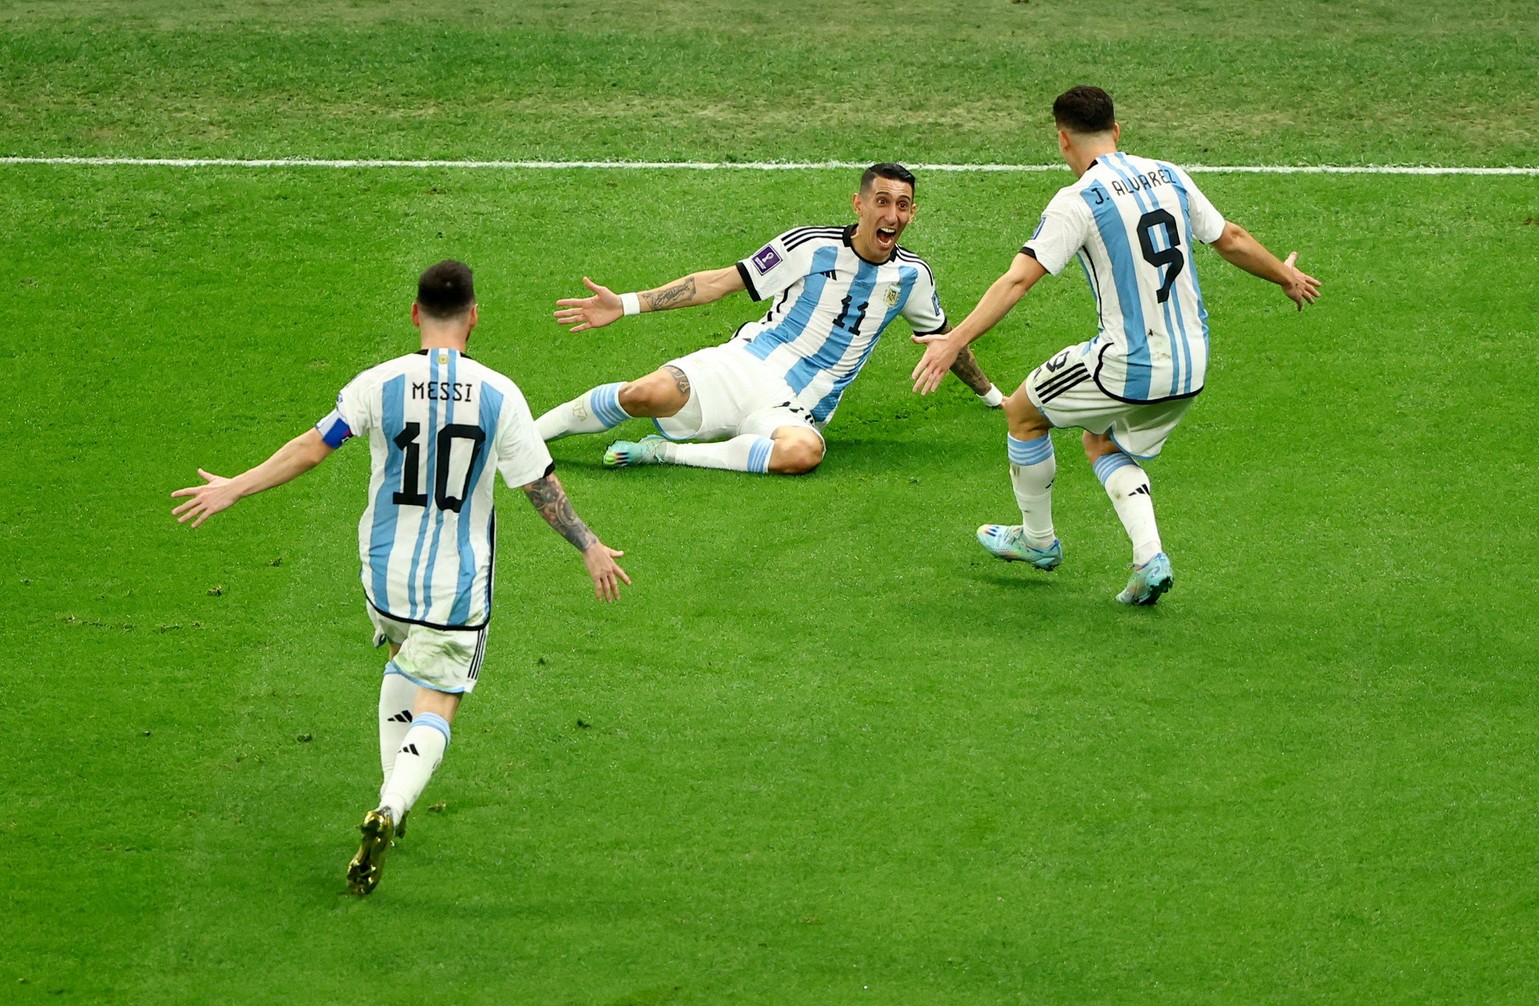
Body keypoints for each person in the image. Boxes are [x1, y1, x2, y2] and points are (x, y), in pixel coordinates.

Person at [170, 260, 631, 895]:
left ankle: (394, 798)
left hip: (382, 574)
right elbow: (537, 485)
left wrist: (235, 489)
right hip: (455, 588)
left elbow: (311, 446)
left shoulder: (378, 384)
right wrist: (590, 544)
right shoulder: (502, 394)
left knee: (400, 661)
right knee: (439, 697)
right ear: (474, 316)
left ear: (415, 313)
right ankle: (391, 805)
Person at [912, 86, 1321, 605]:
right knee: (1102, 442)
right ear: (1117, 131)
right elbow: (1231, 238)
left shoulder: (1077, 200)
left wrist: (954, 341)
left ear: (1063, 140)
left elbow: (1017, 281)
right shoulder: (1169, 174)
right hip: (1192, 365)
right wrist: (1284, 275)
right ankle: (1149, 559)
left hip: (1130, 363)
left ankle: (1038, 542)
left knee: (1022, 413)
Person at [538, 162, 1004, 475]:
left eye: (902, 205)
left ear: (912, 213)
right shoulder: (809, 246)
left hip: (797, 406)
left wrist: (993, 397)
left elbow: (946, 340)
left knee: (803, 453)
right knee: (643, 394)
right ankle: (529, 434)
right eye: (882, 201)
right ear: (859, 205)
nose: (892, 214)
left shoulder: (912, 277)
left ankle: (667, 453)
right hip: (744, 366)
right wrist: (626, 303)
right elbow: (718, 283)